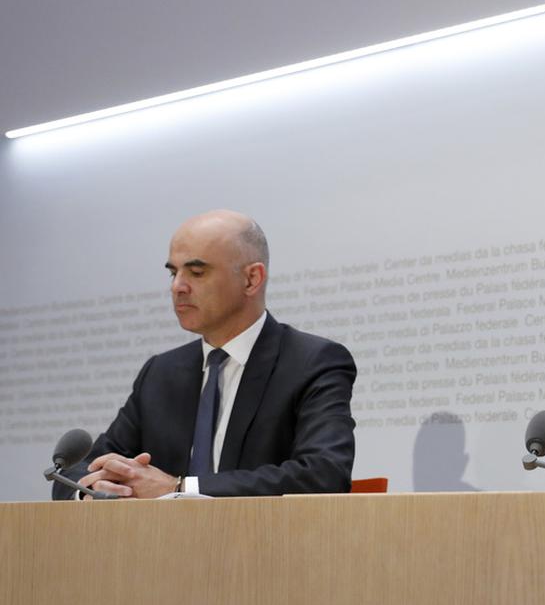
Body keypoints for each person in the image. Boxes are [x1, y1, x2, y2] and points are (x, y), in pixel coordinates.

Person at [54, 210, 356, 498]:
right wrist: (93, 492)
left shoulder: (312, 362)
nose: (177, 287)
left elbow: (323, 475)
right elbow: (75, 475)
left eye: (196, 272)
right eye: (173, 272)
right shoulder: (161, 373)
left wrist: (179, 488)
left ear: (252, 279)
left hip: (267, 546)